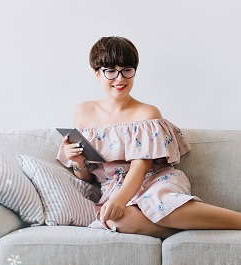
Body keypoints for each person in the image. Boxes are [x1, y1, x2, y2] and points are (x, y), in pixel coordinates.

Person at [58, 36, 241, 238]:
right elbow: (86, 176)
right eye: (110, 71)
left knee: (161, 204)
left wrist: (119, 200)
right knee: (114, 219)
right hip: (112, 187)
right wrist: (78, 162)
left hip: (155, 180)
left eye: (127, 70)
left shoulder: (147, 113)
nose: (120, 79)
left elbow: (140, 166)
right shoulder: (83, 112)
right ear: (97, 74)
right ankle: (185, 226)